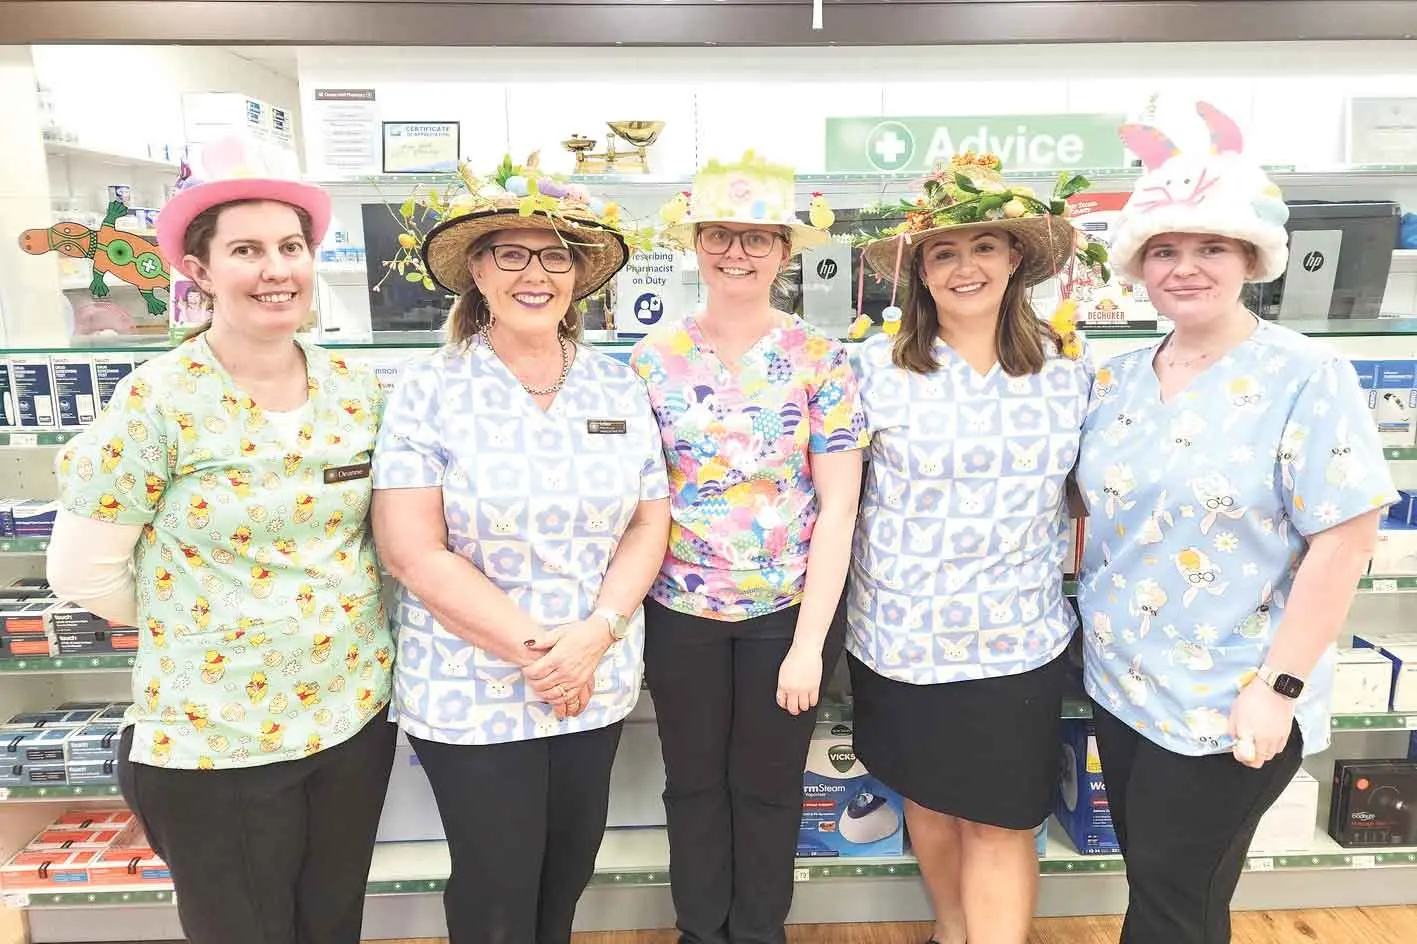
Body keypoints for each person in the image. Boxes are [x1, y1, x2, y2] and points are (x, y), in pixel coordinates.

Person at [45, 134, 395, 944]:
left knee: (332, 924)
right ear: (199, 272)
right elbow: (82, 571)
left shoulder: (354, 390)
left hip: (350, 719)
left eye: (290, 247)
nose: (276, 269)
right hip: (214, 740)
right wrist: (210, 618)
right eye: (246, 250)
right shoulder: (157, 400)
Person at [1076, 102, 1397, 944]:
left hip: (1234, 698)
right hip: (1123, 686)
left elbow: (1342, 539)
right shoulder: (1113, 381)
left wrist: (1278, 687)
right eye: (1166, 250)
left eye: (1209, 247)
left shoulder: (1305, 374)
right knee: (1160, 880)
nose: (1186, 267)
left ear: (1249, 256)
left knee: (1173, 899)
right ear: (1138, 265)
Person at [371, 160, 670, 944]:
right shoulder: (428, 387)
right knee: (495, 887)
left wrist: (595, 635)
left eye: (555, 256)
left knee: (565, 872)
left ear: (578, 276)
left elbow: (647, 521)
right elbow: (410, 549)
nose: (535, 274)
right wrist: (543, 653)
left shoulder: (615, 385)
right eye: (512, 254)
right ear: (476, 270)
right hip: (473, 686)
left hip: (592, 677)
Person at [849, 153, 1093, 944]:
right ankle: (950, 931)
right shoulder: (870, 372)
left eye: (983, 247)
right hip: (899, 637)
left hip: (1012, 641)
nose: (964, 267)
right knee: (929, 801)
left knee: (999, 822)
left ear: (1014, 258)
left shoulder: (1066, 375)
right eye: (942, 253)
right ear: (919, 272)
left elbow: (1090, 501)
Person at [631, 151, 867, 944]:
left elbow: (838, 507)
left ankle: (759, 932)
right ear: (695, 243)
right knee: (692, 786)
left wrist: (808, 646)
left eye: (757, 238)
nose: (737, 253)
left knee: (767, 789)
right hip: (678, 609)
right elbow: (637, 500)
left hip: (786, 612)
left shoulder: (819, 358)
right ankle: (700, 931)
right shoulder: (650, 359)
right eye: (721, 235)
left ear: (784, 252)